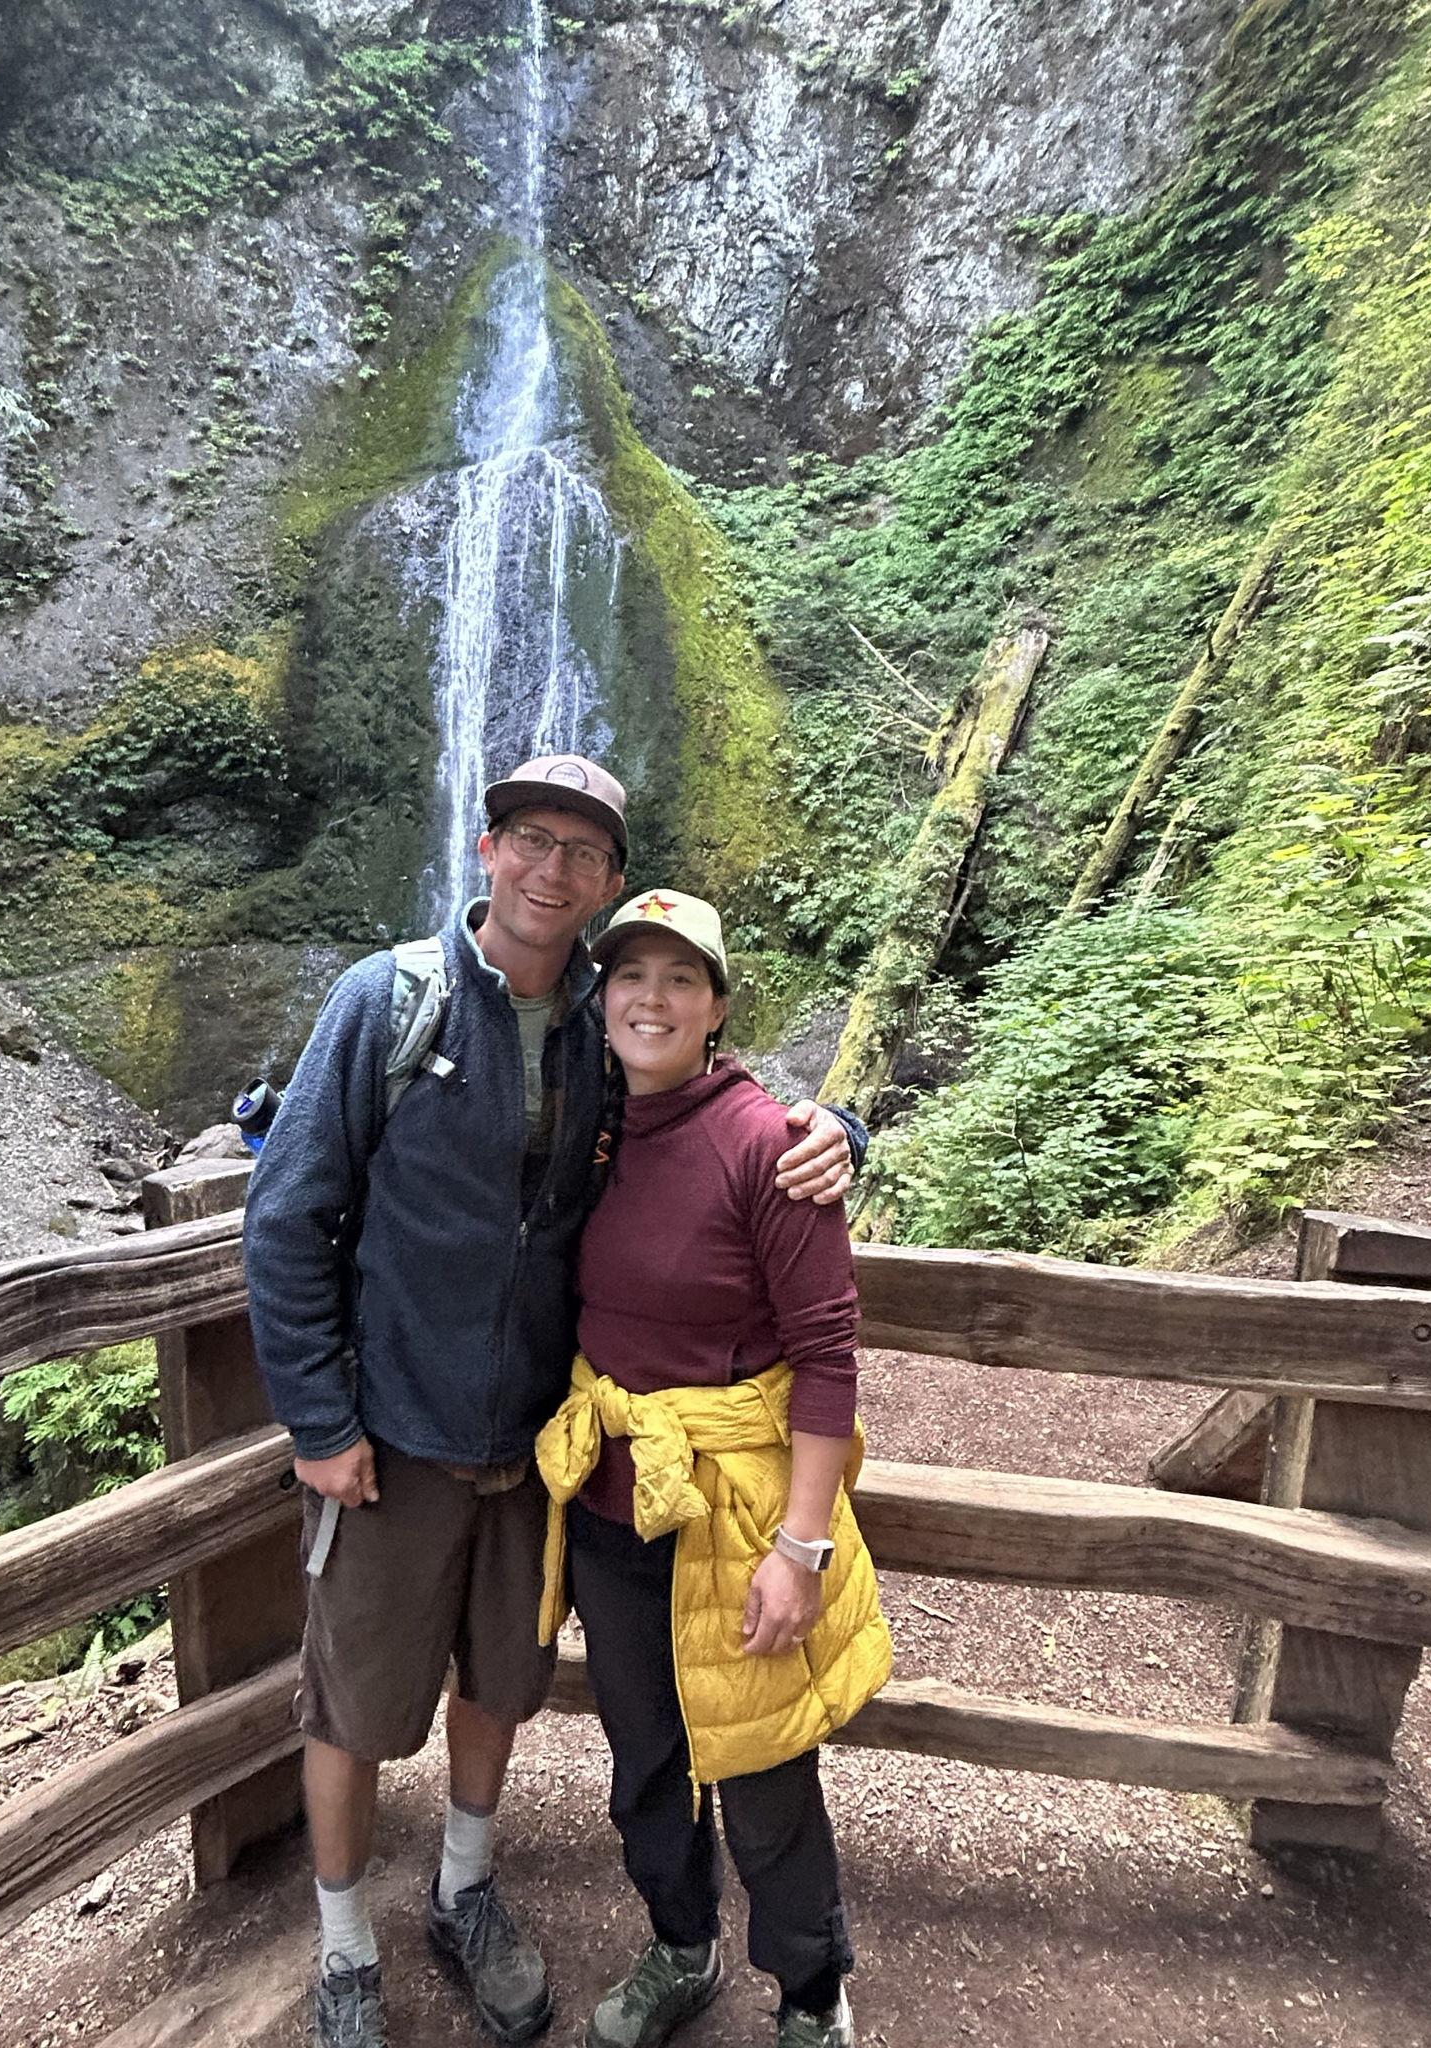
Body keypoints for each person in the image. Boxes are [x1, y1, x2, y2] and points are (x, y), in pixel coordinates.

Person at [242, 756, 865, 2048]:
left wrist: (845, 1128)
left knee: (536, 1696)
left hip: (552, 1456)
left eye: (582, 854)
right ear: (488, 849)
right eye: (532, 839)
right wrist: (318, 1420)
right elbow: (288, 1215)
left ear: (611, 884)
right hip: (410, 1444)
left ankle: (496, 1900)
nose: (552, 871)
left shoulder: (622, 1048)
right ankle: (352, 1946)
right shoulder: (391, 1004)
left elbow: (734, 1141)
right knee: (370, 1708)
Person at [534, 887, 892, 2048]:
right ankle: (677, 1946)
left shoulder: (771, 1148)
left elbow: (827, 1356)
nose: (650, 997)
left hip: (735, 1510)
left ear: (717, 1006)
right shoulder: (583, 1125)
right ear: (600, 996)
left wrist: (802, 1546)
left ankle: (808, 1995)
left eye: (678, 978)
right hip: (610, 1499)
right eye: (630, 974)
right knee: (645, 1757)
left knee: (763, 1769)